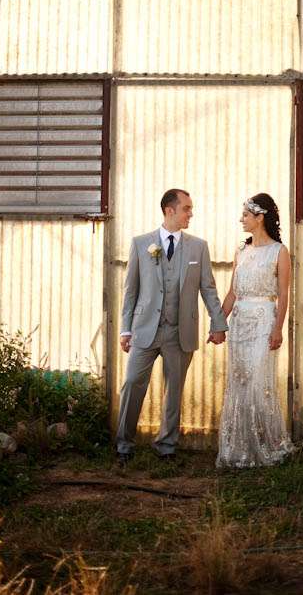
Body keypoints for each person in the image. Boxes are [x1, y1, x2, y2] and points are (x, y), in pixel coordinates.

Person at [116, 188, 227, 463]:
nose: (191, 213)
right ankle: (124, 444)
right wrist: (125, 329)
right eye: (187, 208)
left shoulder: (198, 247)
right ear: (170, 210)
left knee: (173, 390)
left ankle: (166, 446)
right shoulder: (141, 244)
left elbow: (208, 288)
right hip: (144, 328)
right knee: (132, 383)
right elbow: (130, 290)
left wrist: (218, 323)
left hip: (179, 331)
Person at [216, 193, 295, 468]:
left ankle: (269, 445)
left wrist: (278, 329)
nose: (241, 220)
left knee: (259, 384)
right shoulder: (241, 251)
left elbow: (283, 295)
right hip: (239, 323)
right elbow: (232, 293)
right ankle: (239, 449)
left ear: (260, 218)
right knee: (239, 383)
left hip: (264, 322)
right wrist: (218, 324)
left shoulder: (279, 252)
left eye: (246, 215)